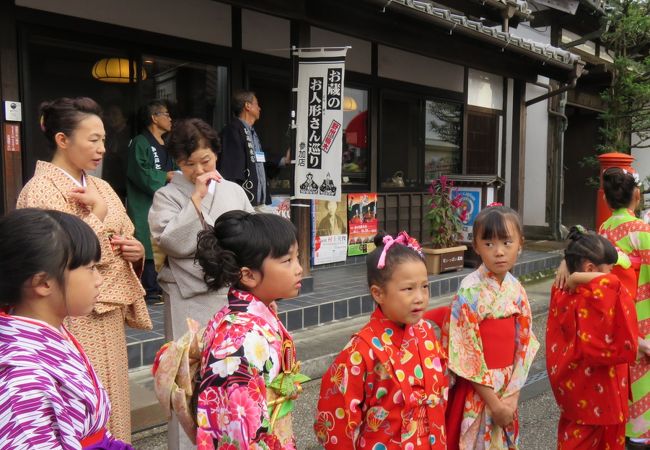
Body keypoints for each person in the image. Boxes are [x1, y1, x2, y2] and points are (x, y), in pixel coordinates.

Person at [17, 97, 152, 442]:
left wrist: (135, 253)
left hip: (106, 314)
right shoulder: (40, 190)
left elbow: (126, 235)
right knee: (77, 406)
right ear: (62, 140)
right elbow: (56, 255)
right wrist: (100, 217)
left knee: (113, 402)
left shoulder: (101, 187)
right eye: (93, 140)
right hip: (69, 317)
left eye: (104, 140)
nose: (102, 149)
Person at [148, 118, 254, 449]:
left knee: (231, 378)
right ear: (177, 163)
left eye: (205, 160)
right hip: (186, 301)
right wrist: (195, 198)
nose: (198, 169)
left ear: (216, 154)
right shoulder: (166, 196)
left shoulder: (234, 191)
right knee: (188, 383)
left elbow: (251, 242)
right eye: (187, 163)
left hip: (229, 296)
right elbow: (173, 244)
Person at [0, 208, 134, 449]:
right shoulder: (22, 375)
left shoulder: (46, 333)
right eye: (91, 268)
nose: (98, 280)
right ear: (43, 283)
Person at [315, 231, 448, 449]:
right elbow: (336, 421)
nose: (420, 297)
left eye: (425, 286)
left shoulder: (426, 333)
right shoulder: (361, 349)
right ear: (378, 293)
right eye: (408, 288)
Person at [192, 211, 307, 448]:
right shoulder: (239, 341)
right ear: (248, 275)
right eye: (287, 261)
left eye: (298, 258)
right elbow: (237, 432)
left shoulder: (253, 316)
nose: (299, 269)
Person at [445, 205, 539, 449]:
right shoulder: (469, 290)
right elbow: (466, 350)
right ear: (475, 246)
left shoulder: (516, 288)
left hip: (508, 384)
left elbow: (525, 343)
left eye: (507, 243)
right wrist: (495, 404)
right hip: (480, 387)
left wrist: (512, 396)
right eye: (489, 244)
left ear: (520, 244)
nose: (499, 252)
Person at [547, 226, 639, 450]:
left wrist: (568, 265)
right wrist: (579, 275)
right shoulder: (597, 294)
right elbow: (614, 286)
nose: (612, 274)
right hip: (600, 394)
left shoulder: (561, 290)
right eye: (609, 269)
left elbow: (591, 251)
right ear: (589, 268)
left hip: (576, 394)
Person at [598, 167, 650, 448]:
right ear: (637, 195)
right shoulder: (644, 231)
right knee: (643, 381)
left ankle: (624, 430)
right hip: (643, 315)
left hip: (614, 316)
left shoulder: (603, 230)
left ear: (606, 200)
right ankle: (641, 435)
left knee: (621, 377)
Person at [127, 100, 175, 304]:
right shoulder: (140, 142)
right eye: (166, 114)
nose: (170, 118)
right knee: (147, 240)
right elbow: (138, 171)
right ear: (154, 118)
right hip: (145, 201)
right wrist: (165, 176)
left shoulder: (167, 144)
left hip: (165, 201)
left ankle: (161, 286)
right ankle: (150, 288)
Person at [219, 90, 290, 209]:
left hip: (257, 200)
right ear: (247, 106)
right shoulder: (232, 130)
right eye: (257, 104)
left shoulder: (251, 132)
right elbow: (231, 169)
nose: (260, 108)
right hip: (243, 202)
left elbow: (259, 158)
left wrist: (284, 160)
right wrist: (235, 200)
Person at [103, 104, 130, 202]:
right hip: (110, 184)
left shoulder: (130, 136)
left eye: (114, 114)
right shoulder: (109, 135)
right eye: (109, 114)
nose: (111, 117)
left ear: (125, 117)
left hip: (123, 186)